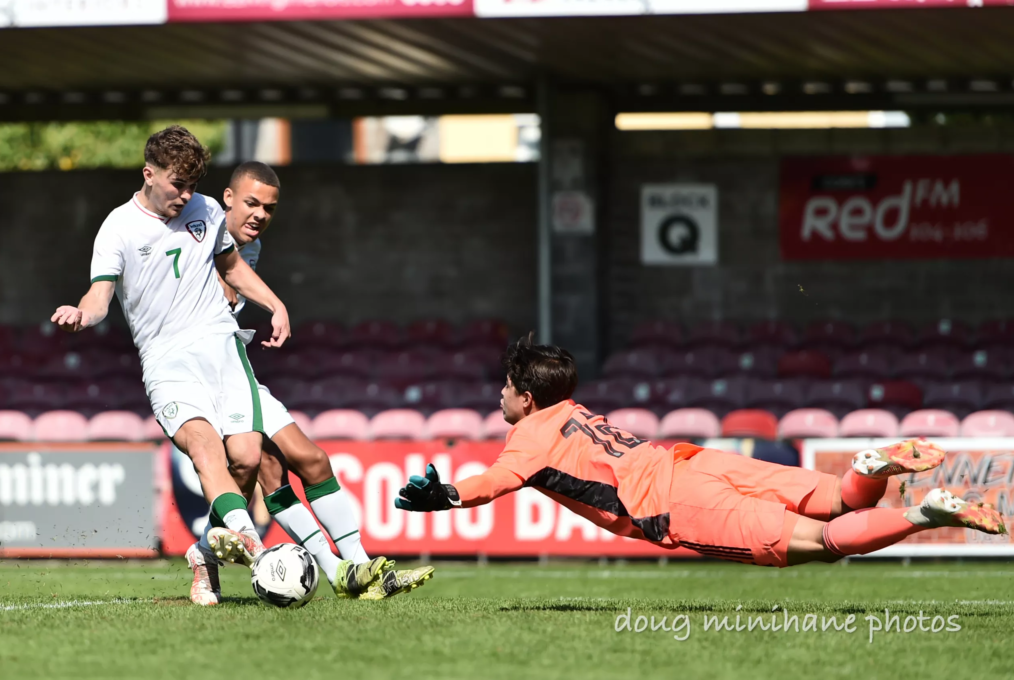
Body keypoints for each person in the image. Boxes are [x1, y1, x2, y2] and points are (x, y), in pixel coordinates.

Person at [395, 336, 1005, 567]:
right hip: (694, 459)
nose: (498, 395)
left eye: (505, 387)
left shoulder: (528, 434)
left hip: (675, 500)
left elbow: (496, 481)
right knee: (834, 499)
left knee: (820, 544)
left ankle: (931, 511)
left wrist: (445, 496)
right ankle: (868, 467)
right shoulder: (575, 411)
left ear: (526, 397)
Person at [183, 161, 433, 604]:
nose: (260, 214)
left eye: (269, 208)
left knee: (312, 461)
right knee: (256, 471)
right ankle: (214, 555)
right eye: (251, 203)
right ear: (226, 198)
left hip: (236, 372)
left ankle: (354, 567)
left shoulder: (249, 251)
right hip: (197, 381)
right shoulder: (192, 233)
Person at [51, 126, 287, 582]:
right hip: (167, 359)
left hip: (220, 346)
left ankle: (205, 554)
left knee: (247, 457)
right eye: (178, 184)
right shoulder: (118, 228)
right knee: (202, 446)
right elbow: (100, 298)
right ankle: (256, 549)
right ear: (149, 174)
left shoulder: (207, 210)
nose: (185, 196)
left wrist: (275, 304)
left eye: (193, 186)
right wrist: (80, 314)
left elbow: (232, 266)